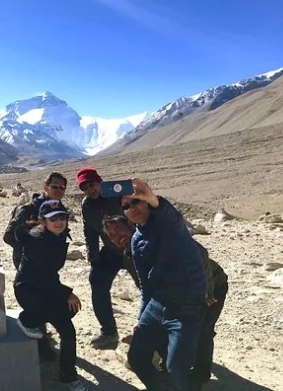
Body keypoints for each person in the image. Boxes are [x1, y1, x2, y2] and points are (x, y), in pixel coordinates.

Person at [103, 215, 229, 389]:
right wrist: (143, 318)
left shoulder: (157, 237)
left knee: (202, 332)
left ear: (131, 225)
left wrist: (207, 289)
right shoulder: (130, 256)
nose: (117, 236)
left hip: (210, 284)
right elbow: (146, 288)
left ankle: (199, 377)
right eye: (111, 235)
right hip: (173, 293)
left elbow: (200, 252)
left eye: (118, 229)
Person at [121, 178, 208, 391]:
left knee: (176, 368)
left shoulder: (169, 226)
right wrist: (141, 316)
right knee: (137, 357)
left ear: (146, 202)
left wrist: (154, 199)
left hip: (187, 307)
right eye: (126, 206)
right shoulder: (136, 239)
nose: (133, 208)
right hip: (157, 304)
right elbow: (145, 282)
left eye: (136, 201)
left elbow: (171, 217)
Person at [13, 200, 86, 391]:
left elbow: (49, 273)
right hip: (29, 291)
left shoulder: (56, 236)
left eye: (62, 217)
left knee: (68, 324)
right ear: (43, 221)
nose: (59, 221)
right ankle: (27, 318)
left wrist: (65, 294)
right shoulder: (38, 240)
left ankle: (67, 376)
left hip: (45, 290)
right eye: (53, 218)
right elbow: (41, 276)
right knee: (66, 319)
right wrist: (67, 293)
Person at [3, 171, 67, 361]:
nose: (59, 190)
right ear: (45, 187)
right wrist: (30, 243)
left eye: (62, 188)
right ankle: (41, 347)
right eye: (55, 186)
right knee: (36, 301)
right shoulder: (28, 209)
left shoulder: (60, 209)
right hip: (28, 263)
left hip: (49, 263)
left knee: (47, 297)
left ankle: (43, 340)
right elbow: (8, 236)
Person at [76, 167, 140, 348]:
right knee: (97, 281)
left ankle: (152, 329)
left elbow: (139, 210)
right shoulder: (87, 205)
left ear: (100, 182)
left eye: (92, 184)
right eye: (84, 187)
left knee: (147, 286)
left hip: (134, 248)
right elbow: (90, 231)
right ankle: (109, 332)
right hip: (111, 250)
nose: (89, 189)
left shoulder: (116, 195)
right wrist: (93, 257)